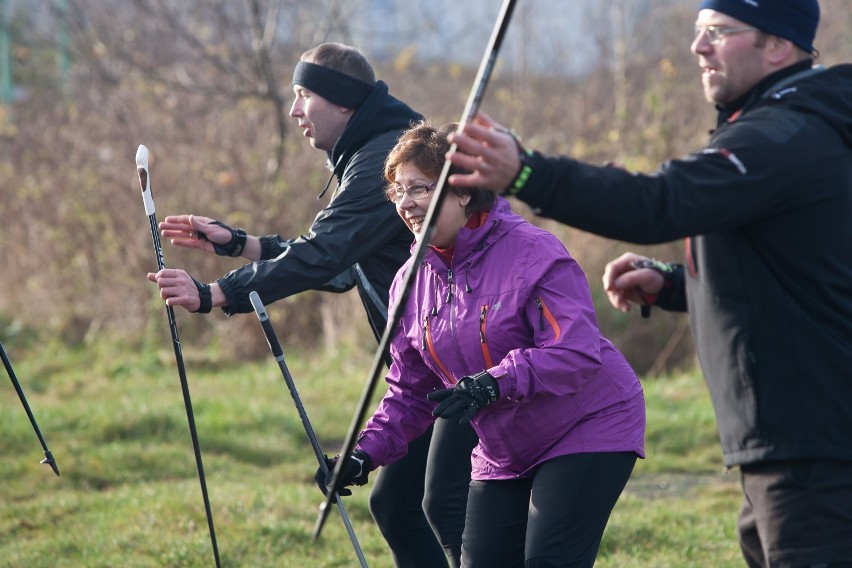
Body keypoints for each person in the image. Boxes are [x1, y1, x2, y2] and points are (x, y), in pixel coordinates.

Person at [445, 0, 852, 566]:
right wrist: (672, 286)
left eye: (718, 31)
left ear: (778, 45)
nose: (697, 46)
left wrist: (529, 174)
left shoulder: (781, 137)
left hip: (813, 444)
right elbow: (795, 276)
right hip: (795, 444)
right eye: (697, 29)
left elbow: (659, 203)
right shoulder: (791, 125)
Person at [146, 43, 475, 568]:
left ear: (342, 102)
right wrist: (238, 243)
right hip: (425, 369)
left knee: (445, 510)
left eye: (304, 95)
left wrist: (217, 293)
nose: (295, 109)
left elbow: (325, 254)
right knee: (396, 505)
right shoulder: (369, 153)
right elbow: (344, 267)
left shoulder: (380, 163)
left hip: (463, 362)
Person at [316, 121, 646, 567]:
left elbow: (576, 352)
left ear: (464, 192)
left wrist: (493, 383)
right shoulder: (409, 281)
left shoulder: (533, 253)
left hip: (587, 425)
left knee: (549, 560)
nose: (406, 204)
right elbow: (409, 392)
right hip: (504, 448)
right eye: (398, 191)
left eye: (419, 188)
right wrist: (361, 456)